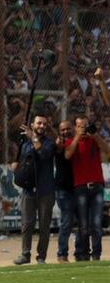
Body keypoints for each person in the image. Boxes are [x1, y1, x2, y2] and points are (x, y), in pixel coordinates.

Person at [12, 114, 56, 265]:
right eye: (39, 123)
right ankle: (25, 254)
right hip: (29, 189)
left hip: (45, 189)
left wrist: (33, 138)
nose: (41, 126)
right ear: (33, 125)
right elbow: (22, 161)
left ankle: (41, 256)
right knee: (27, 223)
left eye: (44, 124)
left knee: (44, 225)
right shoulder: (25, 143)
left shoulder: (49, 143)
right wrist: (15, 165)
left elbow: (43, 154)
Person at [64, 115, 109, 262]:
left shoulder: (94, 141)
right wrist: (78, 137)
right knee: (83, 225)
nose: (83, 129)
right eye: (80, 126)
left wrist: (95, 135)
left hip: (97, 185)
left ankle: (96, 255)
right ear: (75, 127)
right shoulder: (71, 142)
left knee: (96, 223)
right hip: (81, 187)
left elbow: (107, 150)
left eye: (85, 126)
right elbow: (68, 155)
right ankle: (83, 254)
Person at [54, 119, 75, 263]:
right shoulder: (58, 144)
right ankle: (62, 254)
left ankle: (81, 252)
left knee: (82, 222)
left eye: (68, 129)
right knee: (67, 222)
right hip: (63, 189)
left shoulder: (75, 143)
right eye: (63, 129)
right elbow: (60, 149)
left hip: (78, 187)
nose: (66, 131)